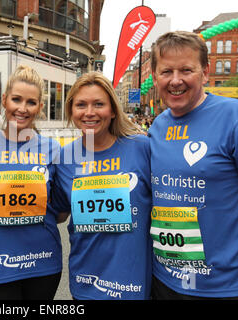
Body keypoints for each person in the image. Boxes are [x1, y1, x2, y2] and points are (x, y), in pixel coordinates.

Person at [148, 31, 238, 300]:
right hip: (165, 281)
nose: (175, 80)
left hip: (227, 287)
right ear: (155, 77)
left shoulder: (236, 117)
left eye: (186, 70)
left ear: (205, 72)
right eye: (167, 71)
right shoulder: (158, 126)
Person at [0, 65, 63, 300]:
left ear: (40, 107)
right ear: (5, 100)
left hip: (43, 262)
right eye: (16, 99)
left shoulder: (53, 149)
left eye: (31, 102)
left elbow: (60, 212)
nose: (22, 108)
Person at [52, 71, 152, 300]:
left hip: (133, 284)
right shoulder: (65, 157)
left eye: (98, 104)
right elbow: (56, 213)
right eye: (81, 105)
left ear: (113, 110)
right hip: (86, 281)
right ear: (71, 111)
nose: (89, 112)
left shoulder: (142, 147)